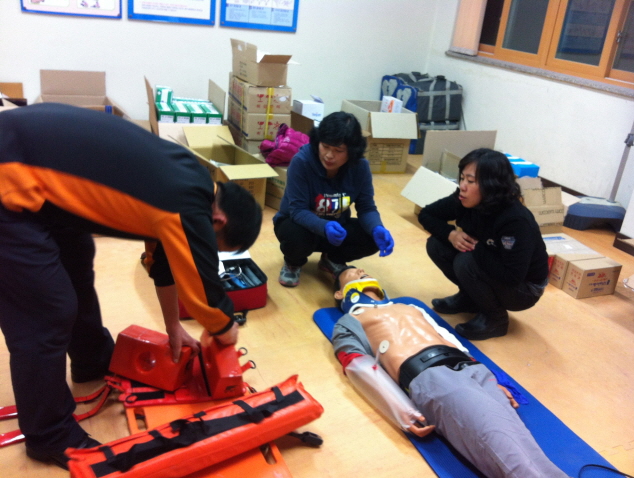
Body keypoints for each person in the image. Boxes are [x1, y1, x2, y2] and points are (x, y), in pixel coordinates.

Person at [0, 103, 262, 469]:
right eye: (214, 245)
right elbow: (206, 295)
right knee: (46, 310)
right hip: (9, 177)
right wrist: (225, 327)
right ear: (218, 220)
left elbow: (163, 265)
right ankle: (48, 434)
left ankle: (91, 361)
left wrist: (173, 326)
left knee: (77, 259)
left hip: (35, 178)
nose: (207, 249)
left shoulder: (190, 181)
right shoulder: (188, 207)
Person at [331, 266, 568, 478]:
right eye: (351, 272)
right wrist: (400, 409)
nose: (360, 271)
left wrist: (494, 379)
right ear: (340, 293)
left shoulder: (410, 307)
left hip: (471, 369)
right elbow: (356, 365)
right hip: (431, 376)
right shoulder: (349, 321)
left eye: (362, 270)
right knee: (504, 449)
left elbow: (447, 338)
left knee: (523, 445)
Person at [418, 148, 549, 340]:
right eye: (462, 178)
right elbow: (426, 214)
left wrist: (477, 248)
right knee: (437, 244)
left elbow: (513, 276)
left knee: (466, 261)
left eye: (470, 181)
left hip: (525, 288)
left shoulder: (515, 220)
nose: (462, 186)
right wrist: (451, 234)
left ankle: (496, 320)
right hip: (490, 260)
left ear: (491, 185)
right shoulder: (464, 198)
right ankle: (469, 299)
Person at [273, 111, 394, 287]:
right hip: (300, 225)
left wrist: (377, 227)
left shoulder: (360, 167)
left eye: (338, 150)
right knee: (295, 236)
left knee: (372, 237)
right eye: (325, 146)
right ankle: (293, 263)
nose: (329, 155)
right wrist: (324, 226)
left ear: (351, 151)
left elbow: (366, 207)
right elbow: (298, 211)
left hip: (336, 229)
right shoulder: (302, 162)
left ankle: (332, 259)